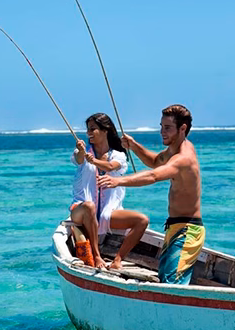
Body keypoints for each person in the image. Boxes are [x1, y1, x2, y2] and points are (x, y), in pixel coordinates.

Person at [98, 104, 204, 285]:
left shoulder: (184, 158)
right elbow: (155, 162)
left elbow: (154, 175)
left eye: (168, 128)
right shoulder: (174, 149)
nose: (162, 131)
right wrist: (134, 146)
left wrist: (118, 181)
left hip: (188, 230)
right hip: (174, 228)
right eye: (161, 126)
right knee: (166, 280)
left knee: (172, 285)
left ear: (183, 128)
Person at [70, 113, 149, 270]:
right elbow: (79, 159)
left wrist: (95, 161)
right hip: (80, 210)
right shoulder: (84, 153)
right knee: (89, 206)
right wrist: (81, 151)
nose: (89, 133)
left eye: (93, 129)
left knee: (142, 220)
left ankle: (118, 260)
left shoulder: (118, 155)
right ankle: (97, 256)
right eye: (88, 130)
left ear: (105, 130)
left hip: (109, 212)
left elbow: (112, 166)